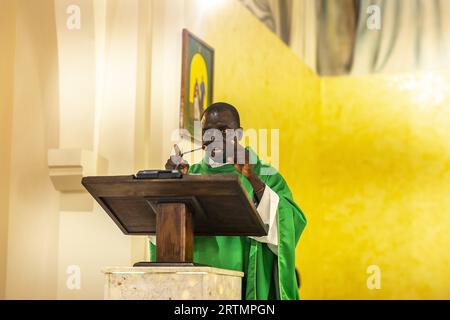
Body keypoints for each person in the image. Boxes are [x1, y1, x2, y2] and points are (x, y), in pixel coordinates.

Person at [155, 102, 307, 300]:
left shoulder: (265, 175)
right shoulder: (189, 176)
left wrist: (254, 181)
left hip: (246, 287)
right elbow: (164, 231)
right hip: (194, 290)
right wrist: (170, 184)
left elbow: (291, 223)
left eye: (223, 130)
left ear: (239, 134)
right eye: (208, 131)